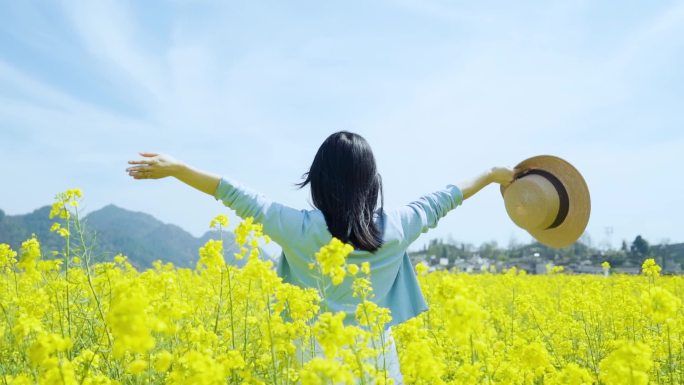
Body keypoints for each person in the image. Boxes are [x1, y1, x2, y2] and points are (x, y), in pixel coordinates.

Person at [126, 131, 514, 384]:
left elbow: (234, 193)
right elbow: (446, 197)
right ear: (371, 182)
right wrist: (490, 175)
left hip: (316, 365)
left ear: (317, 180)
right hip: (377, 365)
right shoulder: (396, 228)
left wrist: (177, 169)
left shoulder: (297, 228)